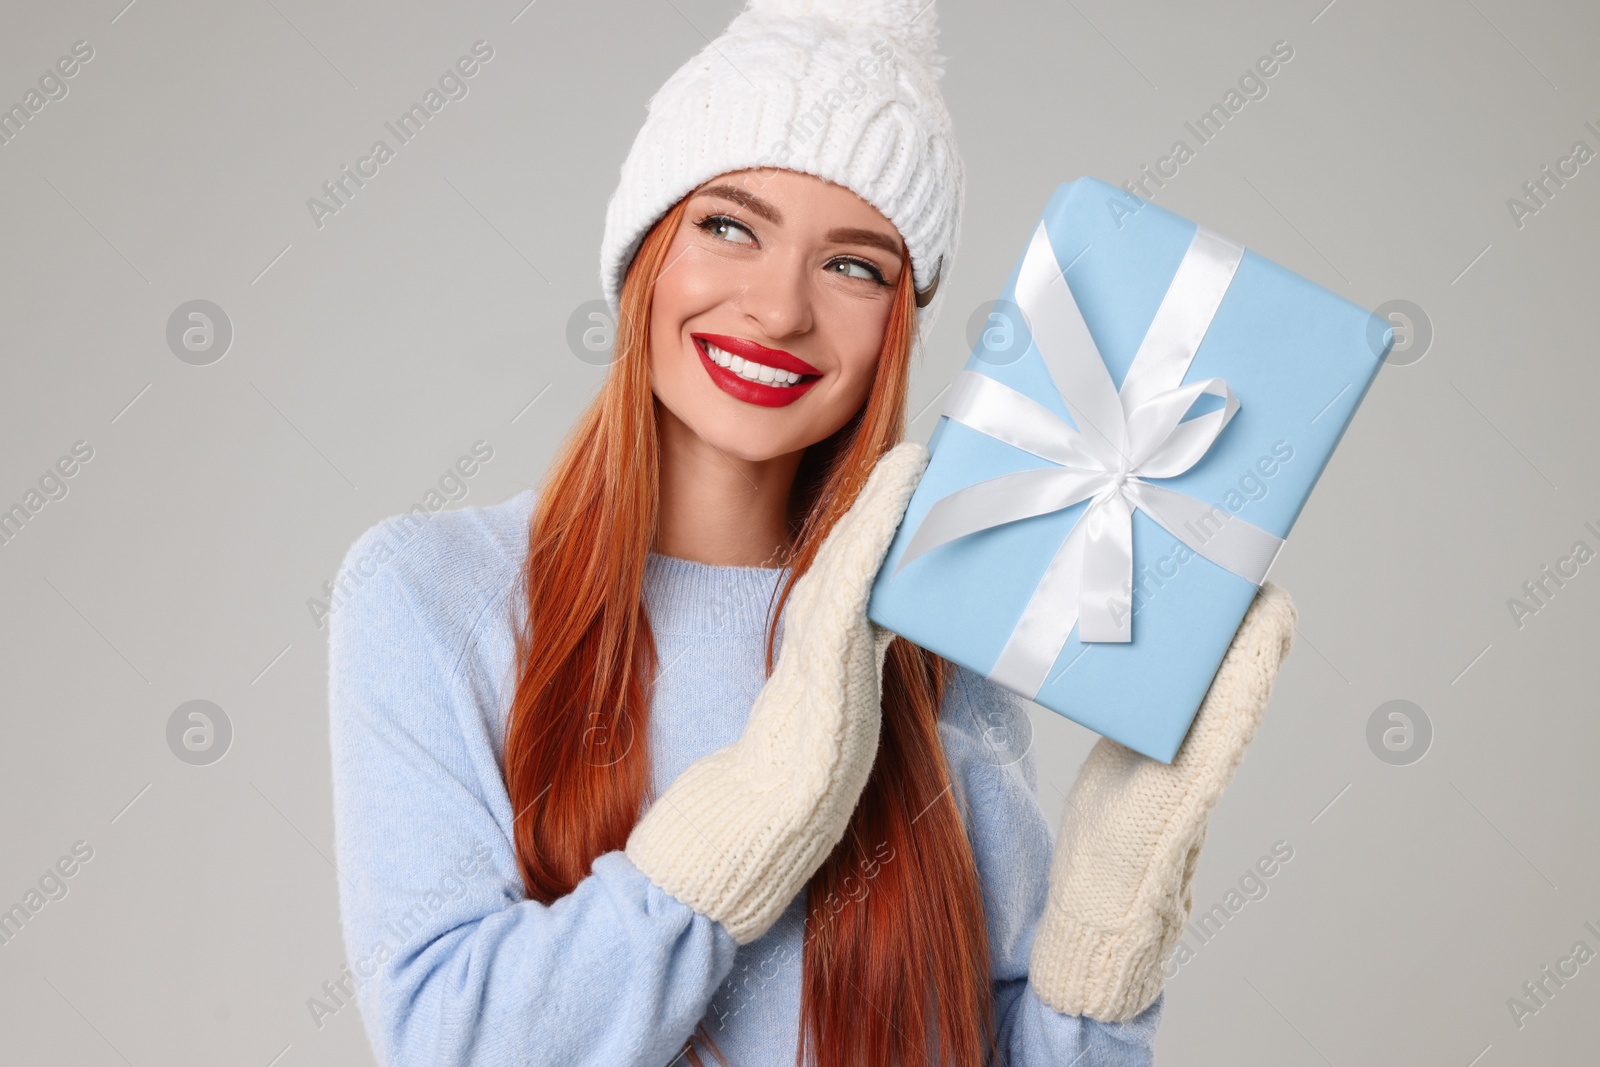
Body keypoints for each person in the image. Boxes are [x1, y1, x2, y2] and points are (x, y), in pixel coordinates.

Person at [326, 1, 1299, 1064]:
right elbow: (448, 1043)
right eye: (729, 226)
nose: (780, 309)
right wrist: (759, 807)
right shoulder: (430, 591)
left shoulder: (931, 631)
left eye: (854, 266)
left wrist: (1102, 933)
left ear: (899, 321)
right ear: (646, 249)